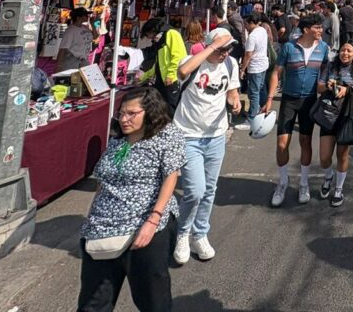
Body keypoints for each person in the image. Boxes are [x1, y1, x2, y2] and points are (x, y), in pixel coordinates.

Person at [77, 87, 185, 312]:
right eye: (122, 114)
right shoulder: (118, 142)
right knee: (93, 301)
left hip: (145, 229)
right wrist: (92, 217)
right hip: (102, 229)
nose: (124, 119)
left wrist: (153, 221)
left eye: (132, 114)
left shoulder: (166, 135)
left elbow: (170, 176)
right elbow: (102, 182)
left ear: (150, 112)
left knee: (153, 299)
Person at [172, 31, 240, 264]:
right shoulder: (191, 62)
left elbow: (232, 91)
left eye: (228, 49)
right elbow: (182, 72)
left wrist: (235, 100)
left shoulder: (231, 64)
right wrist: (212, 48)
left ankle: (200, 234)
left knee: (210, 189)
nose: (225, 54)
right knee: (194, 190)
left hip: (216, 135)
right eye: (222, 49)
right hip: (188, 135)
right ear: (209, 46)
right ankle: (183, 233)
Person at [265, 13, 330, 207]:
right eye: (317, 27)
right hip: (288, 100)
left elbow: (327, 71)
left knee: (305, 141)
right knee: (282, 144)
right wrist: (269, 98)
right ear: (306, 29)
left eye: (321, 27)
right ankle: (283, 183)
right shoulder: (289, 47)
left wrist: (326, 85)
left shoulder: (324, 48)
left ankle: (303, 183)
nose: (321, 31)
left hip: (310, 100)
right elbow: (276, 72)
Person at [317, 41, 353, 206]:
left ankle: (338, 188)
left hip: (348, 116)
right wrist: (329, 86)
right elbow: (319, 87)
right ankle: (328, 176)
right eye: (343, 50)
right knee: (324, 157)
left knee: (342, 155)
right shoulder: (331, 66)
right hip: (328, 115)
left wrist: (348, 89)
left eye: (349, 51)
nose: (345, 53)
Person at [138, 19, 188, 110]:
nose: (149, 38)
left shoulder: (171, 33)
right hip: (162, 81)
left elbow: (178, 57)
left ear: (152, 30)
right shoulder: (159, 41)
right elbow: (158, 64)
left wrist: (171, 75)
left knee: (171, 108)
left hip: (172, 81)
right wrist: (144, 76)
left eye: (147, 35)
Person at [241, 13, 270, 123]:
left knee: (254, 93)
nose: (245, 26)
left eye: (246, 24)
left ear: (251, 23)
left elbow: (248, 55)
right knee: (261, 89)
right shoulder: (262, 30)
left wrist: (242, 69)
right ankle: (261, 111)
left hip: (255, 66)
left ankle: (252, 117)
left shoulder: (252, 36)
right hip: (263, 64)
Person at [58, 7, 93, 72]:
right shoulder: (70, 31)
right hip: (72, 61)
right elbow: (63, 49)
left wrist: (93, 23)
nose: (87, 16)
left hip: (84, 60)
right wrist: (59, 65)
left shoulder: (85, 27)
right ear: (78, 18)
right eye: (85, 15)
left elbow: (95, 37)